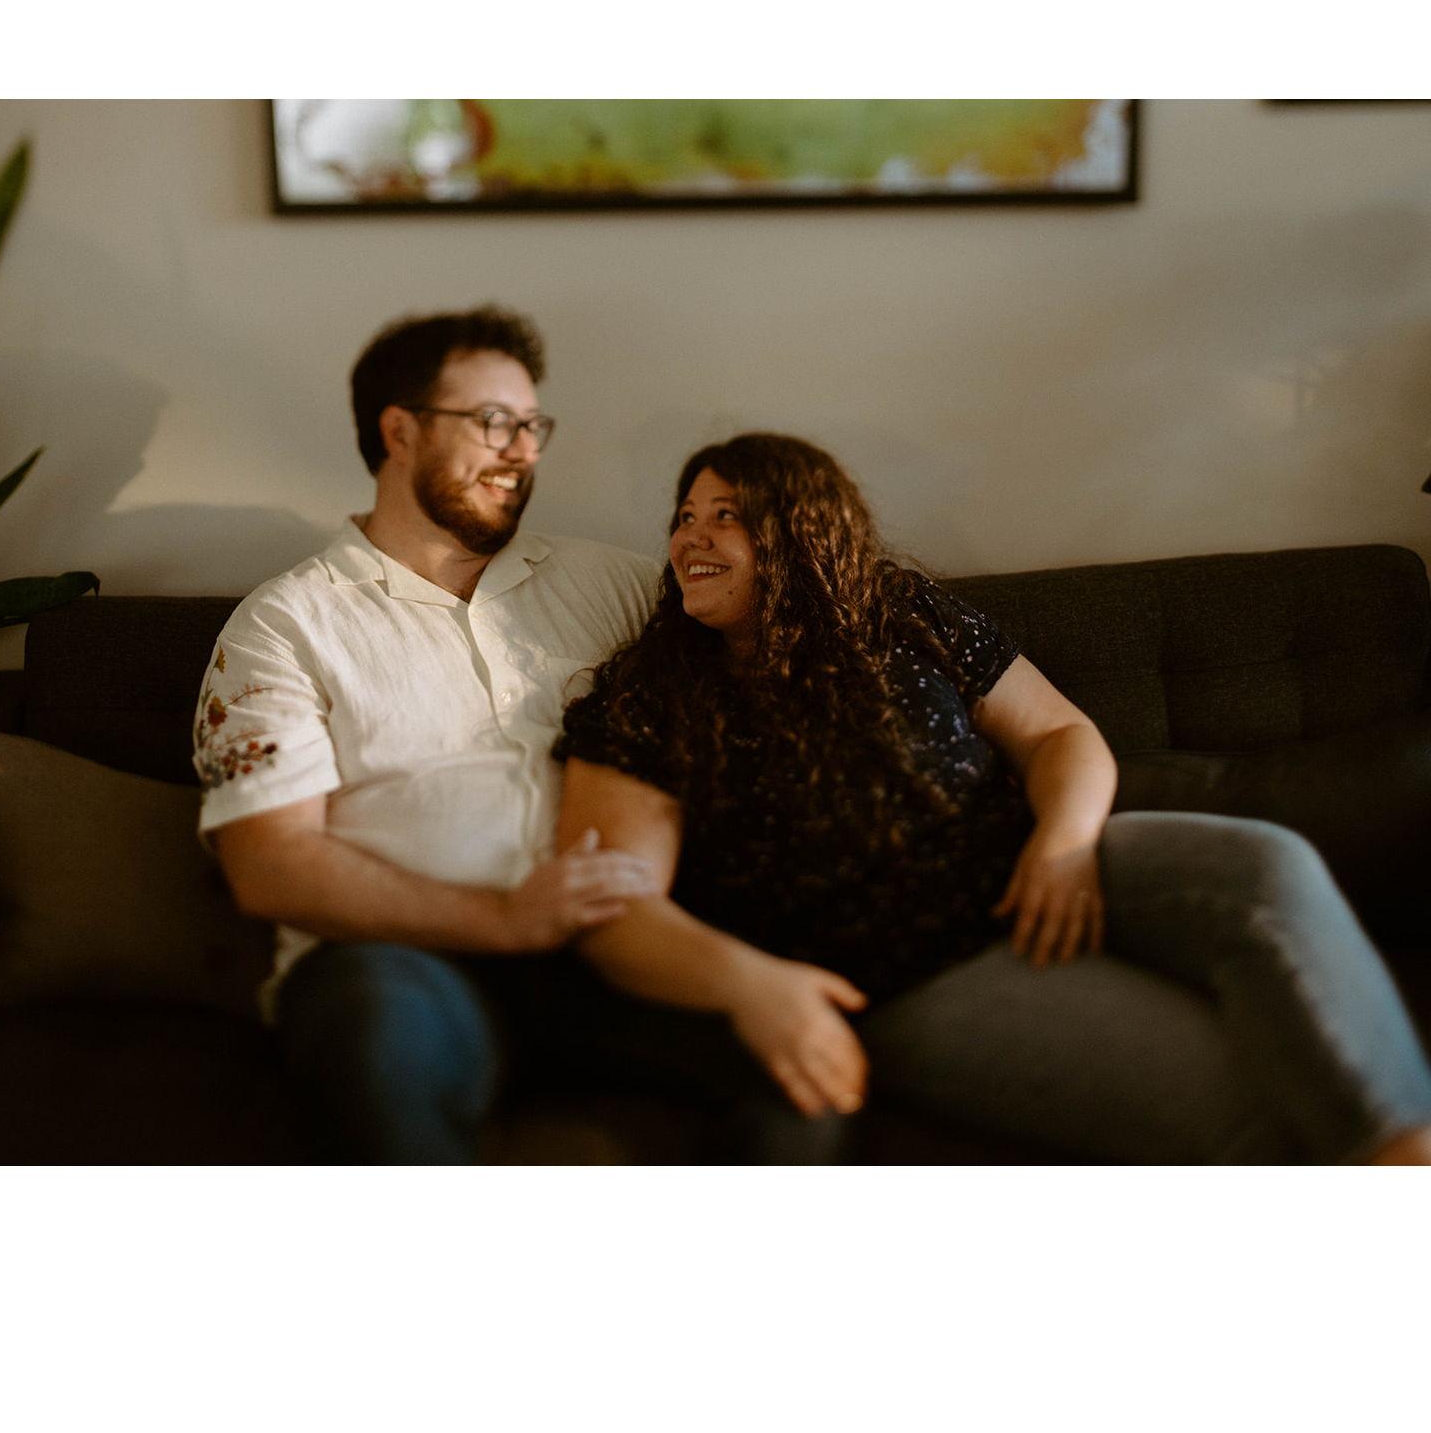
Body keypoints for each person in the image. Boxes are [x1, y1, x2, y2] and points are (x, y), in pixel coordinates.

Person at [552, 432, 1431, 1164]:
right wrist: (754, 988)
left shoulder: (896, 611)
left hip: (1038, 866)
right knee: (1250, 1111)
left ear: (799, 531)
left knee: (1266, 865)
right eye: (684, 517)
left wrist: (1065, 842)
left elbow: (1060, 735)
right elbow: (616, 910)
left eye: (725, 516)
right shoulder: (648, 697)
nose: (689, 538)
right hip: (918, 966)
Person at [193, 304, 662, 1163]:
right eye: (491, 422)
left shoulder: (617, 586)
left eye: (531, 426)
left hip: (614, 950)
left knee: (795, 1051)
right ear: (400, 430)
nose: (522, 450)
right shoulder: (285, 625)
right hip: (400, 971)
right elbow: (269, 867)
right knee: (371, 1030)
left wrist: (999, 724)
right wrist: (504, 919)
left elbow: (812, 616)